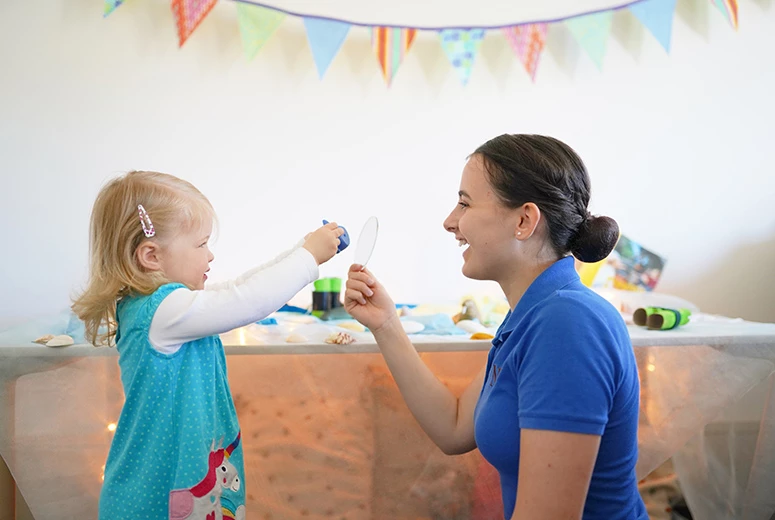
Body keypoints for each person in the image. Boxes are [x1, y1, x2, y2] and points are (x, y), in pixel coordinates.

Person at [344, 134, 648, 519]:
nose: (449, 221)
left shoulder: (567, 324)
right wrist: (386, 324)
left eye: (465, 202)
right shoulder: (532, 314)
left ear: (524, 220)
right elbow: (454, 428)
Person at [71, 170, 343, 520]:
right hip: (156, 496)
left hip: (182, 480)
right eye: (201, 244)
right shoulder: (163, 312)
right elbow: (246, 300)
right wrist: (308, 258)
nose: (210, 255)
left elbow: (240, 288)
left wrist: (299, 251)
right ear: (151, 256)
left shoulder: (170, 305)